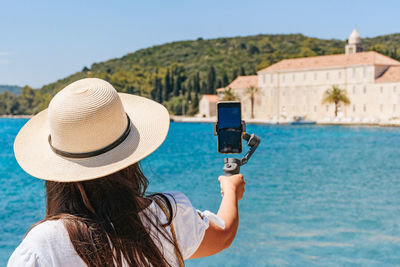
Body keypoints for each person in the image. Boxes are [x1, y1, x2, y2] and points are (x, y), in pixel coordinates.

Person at [8, 78, 245, 267]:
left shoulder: (42, 248)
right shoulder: (167, 216)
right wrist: (230, 191)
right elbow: (223, 234)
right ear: (129, 156)